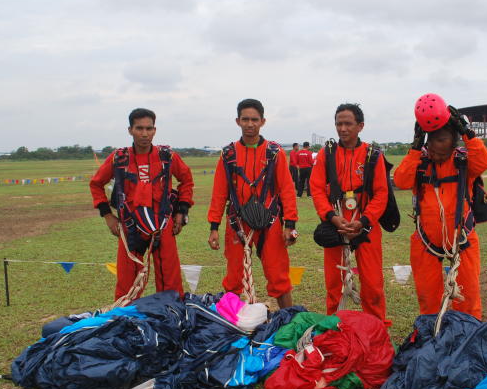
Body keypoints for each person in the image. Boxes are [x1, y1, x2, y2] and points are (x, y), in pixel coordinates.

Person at [393, 100, 487, 320]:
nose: (434, 146)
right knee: (428, 298)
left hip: (462, 238)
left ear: (453, 141)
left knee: (468, 297)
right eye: (431, 140)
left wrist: (467, 133)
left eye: (441, 139)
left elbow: (485, 161)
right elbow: (401, 181)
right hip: (426, 240)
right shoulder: (420, 162)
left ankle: (467, 332)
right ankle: (432, 333)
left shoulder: (463, 162)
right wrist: (415, 147)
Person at [90, 108, 194, 301]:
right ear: (130, 130)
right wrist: (108, 217)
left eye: (149, 128)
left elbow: (186, 180)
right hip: (131, 227)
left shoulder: (167, 156)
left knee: (170, 280)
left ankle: (170, 313)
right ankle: (128, 315)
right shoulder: (119, 158)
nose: (144, 134)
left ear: (155, 130)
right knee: (127, 282)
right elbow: (96, 184)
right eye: (139, 128)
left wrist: (182, 211)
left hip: (163, 224)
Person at [207, 99, 298, 309]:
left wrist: (290, 224)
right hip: (237, 222)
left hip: (270, 221)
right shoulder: (228, 154)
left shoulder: (274, 153)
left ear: (262, 121)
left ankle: (289, 319)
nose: (250, 124)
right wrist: (214, 226)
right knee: (233, 278)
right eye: (245, 119)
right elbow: (219, 193)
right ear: (237, 121)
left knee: (278, 275)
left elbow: (287, 189)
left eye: (254, 120)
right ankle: (232, 322)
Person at [310, 103, 390, 325]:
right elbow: (316, 189)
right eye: (339, 124)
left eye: (348, 124)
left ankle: (376, 330)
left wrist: (364, 221)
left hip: (366, 225)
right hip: (335, 224)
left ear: (360, 126)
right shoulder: (327, 154)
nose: (342, 129)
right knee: (334, 284)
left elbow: (381, 193)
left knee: (373, 284)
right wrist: (331, 217)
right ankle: (333, 329)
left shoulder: (373, 155)